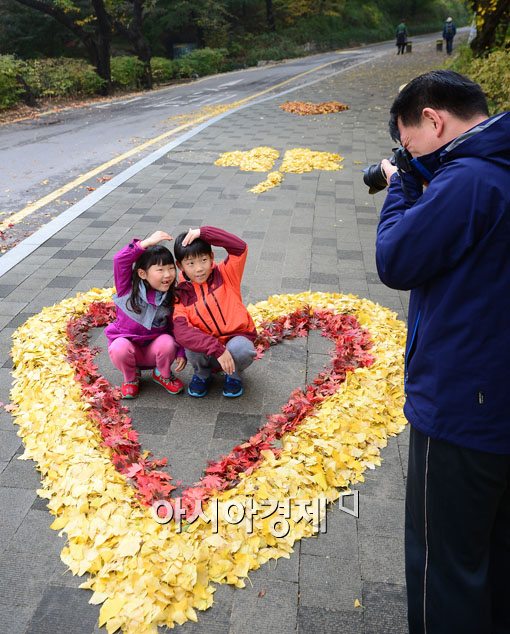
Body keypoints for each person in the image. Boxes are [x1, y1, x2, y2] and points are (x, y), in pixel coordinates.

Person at [375, 70, 510, 634]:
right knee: (493, 553)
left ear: (433, 120)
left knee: (443, 563)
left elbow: (396, 260)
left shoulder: (470, 180)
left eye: (407, 142)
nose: (407, 153)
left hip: (460, 402)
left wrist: (402, 183)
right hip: (498, 395)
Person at [173, 226, 256, 398]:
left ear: (211, 257)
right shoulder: (180, 294)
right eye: (190, 263)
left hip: (235, 341)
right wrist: (217, 349)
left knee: (242, 348)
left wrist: (203, 233)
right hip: (208, 350)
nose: (199, 268)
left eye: (203, 260)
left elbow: (239, 247)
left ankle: (233, 375)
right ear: (180, 266)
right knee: (191, 343)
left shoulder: (226, 273)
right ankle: (202, 375)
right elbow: (181, 332)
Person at [105, 231, 186, 398]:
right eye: (160, 270)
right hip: (129, 350)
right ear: (143, 273)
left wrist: (181, 352)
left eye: (171, 268)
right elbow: (119, 260)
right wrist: (145, 243)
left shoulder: (171, 296)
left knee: (168, 342)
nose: (168, 274)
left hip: (155, 351)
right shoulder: (126, 289)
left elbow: (177, 327)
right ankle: (131, 378)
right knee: (119, 347)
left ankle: (163, 374)